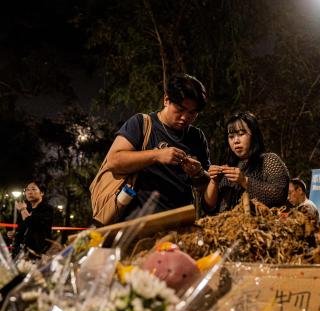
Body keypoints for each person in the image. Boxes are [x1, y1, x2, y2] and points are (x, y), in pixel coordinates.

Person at [104, 73, 210, 219]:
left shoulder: (197, 137)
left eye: (192, 113)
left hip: (181, 223)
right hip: (139, 222)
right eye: (180, 109)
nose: (185, 117)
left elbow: (206, 185)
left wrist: (198, 173)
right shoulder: (141, 123)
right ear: (166, 100)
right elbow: (114, 161)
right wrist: (156, 155)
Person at [204, 111, 289, 213]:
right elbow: (208, 207)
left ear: (254, 135)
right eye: (231, 137)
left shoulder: (269, 160)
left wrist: (244, 181)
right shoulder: (227, 167)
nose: (236, 141)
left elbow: (279, 195)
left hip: (259, 226)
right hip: (226, 226)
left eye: (241, 134)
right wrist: (214, 181)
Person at [11, 181, 54, 258]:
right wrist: (15, 234)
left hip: (39, 253)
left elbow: (32, 224)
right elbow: (21, 229)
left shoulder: (47, 209)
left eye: (33, 189)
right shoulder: (26, 208)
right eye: (27, 190)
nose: (30, 192)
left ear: (42, 193)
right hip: (21, 253)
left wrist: (22, 210)